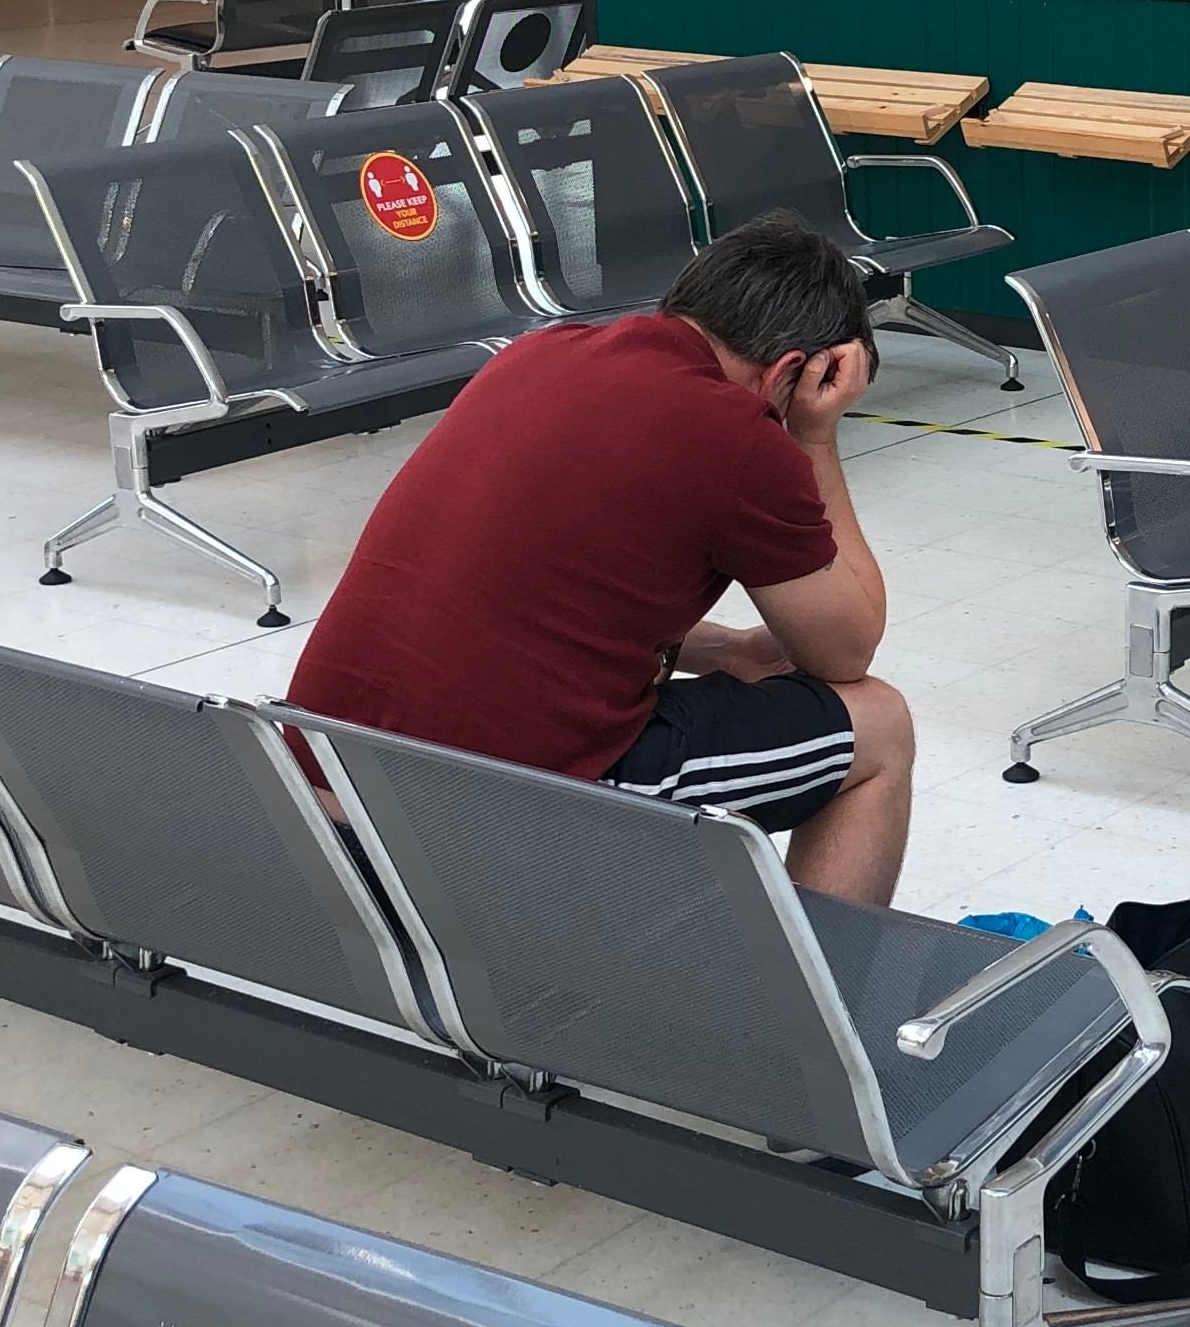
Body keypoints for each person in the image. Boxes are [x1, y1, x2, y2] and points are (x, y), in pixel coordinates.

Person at [288, 214, 913, 905]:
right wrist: (816, 436)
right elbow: (845, 654)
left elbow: (510, 590)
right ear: (797, 369)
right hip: (477, 812)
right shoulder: (736, 434)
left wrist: (722, 648)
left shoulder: (534, 354)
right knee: (878, 726)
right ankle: (823, 1004)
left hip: (317, 783)